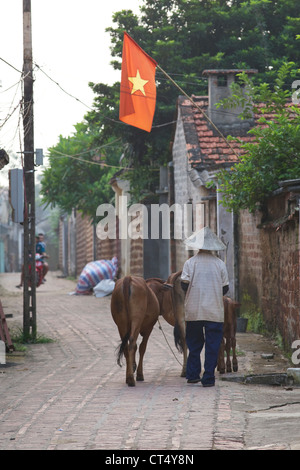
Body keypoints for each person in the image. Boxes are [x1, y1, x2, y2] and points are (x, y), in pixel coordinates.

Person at [181, 226, 229, 387]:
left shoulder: (190, 263)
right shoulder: (220, 264)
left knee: (194, 344)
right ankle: (208, 377)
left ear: (198, 246)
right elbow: (225, 288)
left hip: (194, 310)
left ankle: (193, 374)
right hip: (214, 311)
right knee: (213, 344)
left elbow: (184, 285)